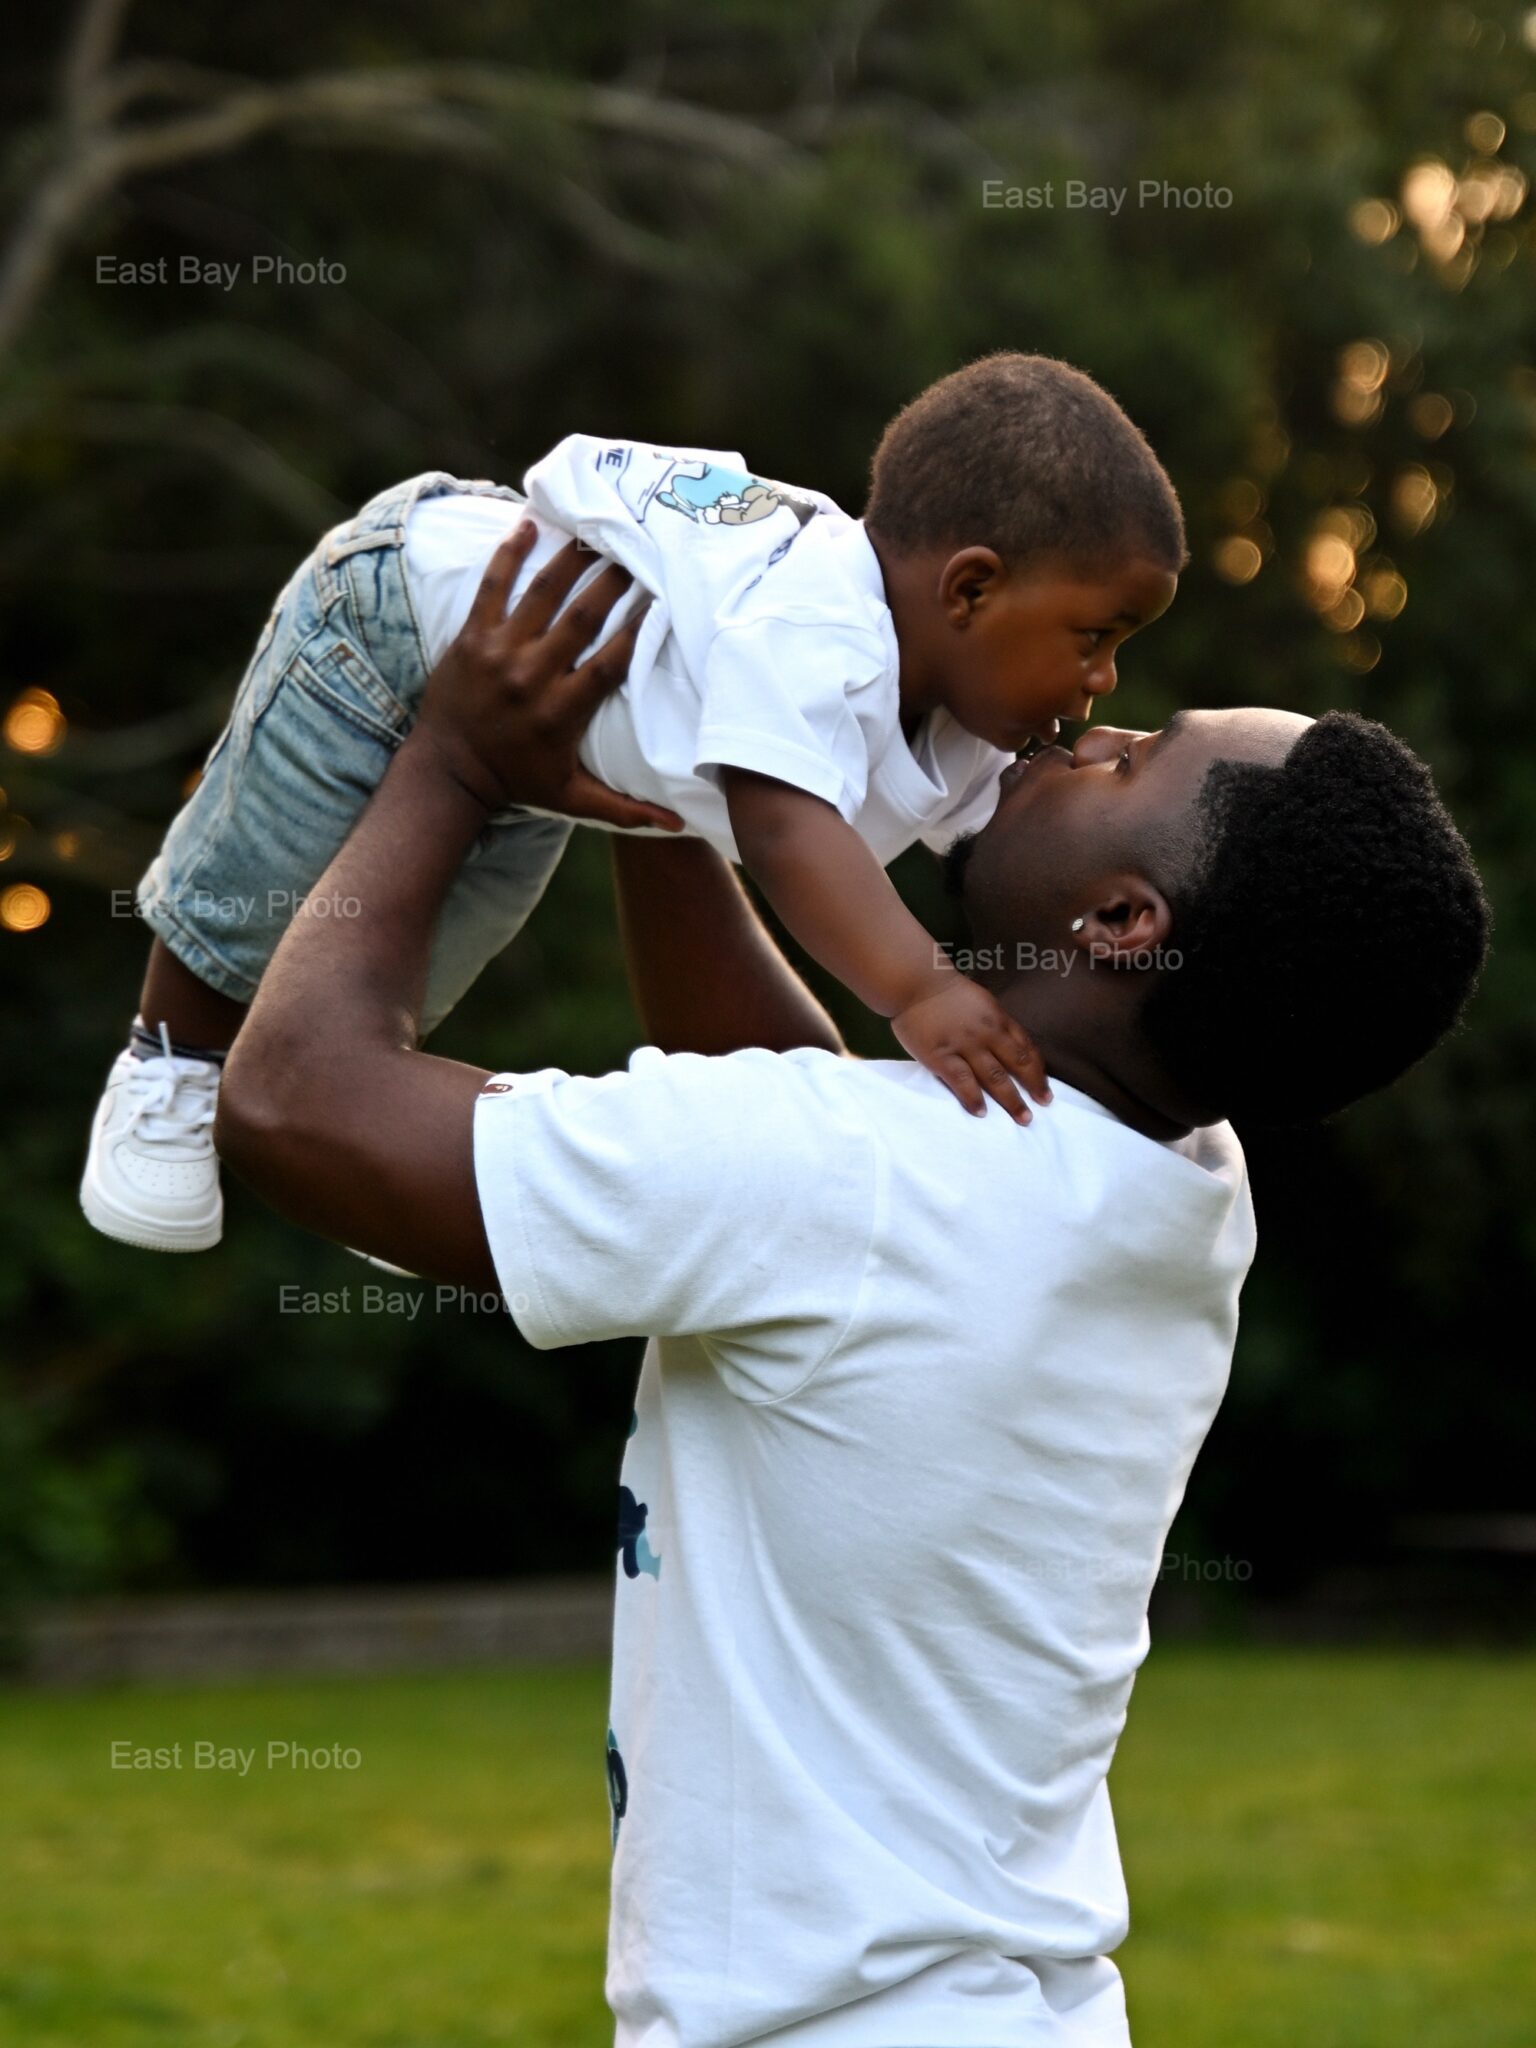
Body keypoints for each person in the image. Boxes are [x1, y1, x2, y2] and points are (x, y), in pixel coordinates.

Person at [214, 532, 1489, 2048]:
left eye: (1131, 758)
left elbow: (297, 1103)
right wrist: (677, 783)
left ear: (1122, 922)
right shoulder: (1186, 1186)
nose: (1086, 730)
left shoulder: (865, 1189)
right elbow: (803, 1147)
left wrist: (453, 761)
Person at [80, 353, 1184, 1254]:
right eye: (1096, 639)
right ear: (971, 588)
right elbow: (783, 826)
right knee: (260, 871)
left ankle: (384, 1145)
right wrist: (919, 991)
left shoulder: (955, 724)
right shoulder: (819, 628)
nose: (1104, 686)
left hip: (548, 751)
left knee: (428, 937)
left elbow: (1001, 857)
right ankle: (166, 1056)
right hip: (400, 617)